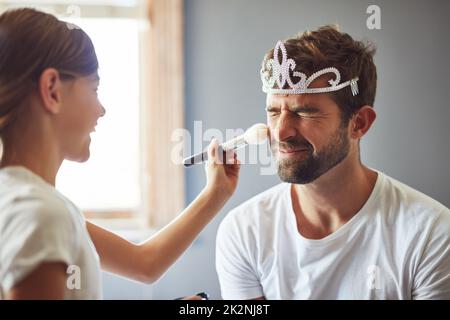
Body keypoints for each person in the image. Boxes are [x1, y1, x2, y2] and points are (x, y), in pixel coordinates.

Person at [0, 8, 240, 299]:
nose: (101, 109)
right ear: (52, 90)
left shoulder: (23, 202)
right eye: (94, 88)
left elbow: (144, 264)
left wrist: (215, 193)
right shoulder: (42, 214)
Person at [216, 25, 450, 300]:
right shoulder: (244, 231)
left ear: (359, 123)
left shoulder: (432, 235)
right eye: (273, 111)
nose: (280, 132)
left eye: (304, 112)